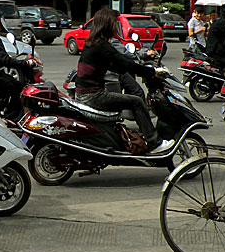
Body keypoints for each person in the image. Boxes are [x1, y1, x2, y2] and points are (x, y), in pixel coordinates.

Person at [74, 8, 174, 154]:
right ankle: (154, 142)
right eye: (115, 24)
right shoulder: (102, 46)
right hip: (93, 96)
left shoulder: (92, 43)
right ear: (107, 25)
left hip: (86, 93)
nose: (116, 28)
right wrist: (152, 72)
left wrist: (134, 69)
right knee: (136, 102)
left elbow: (117, 66)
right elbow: (125, 63)